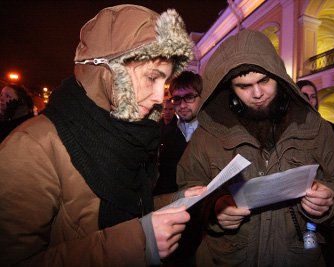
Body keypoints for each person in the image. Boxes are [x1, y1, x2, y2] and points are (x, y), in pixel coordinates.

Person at [0, 4, 206, 266]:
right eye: (151, 78)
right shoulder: (31, 146)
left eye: (162, 82)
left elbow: (128, 208)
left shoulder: (132, 133)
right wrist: (139, 243)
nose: (158, 97)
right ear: (108, 70)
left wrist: (175, 201)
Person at [176, 29, 334, 266]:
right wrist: (214, 208)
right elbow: (188, 188)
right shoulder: (208, 134)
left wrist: (331, 199)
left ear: (278, 75)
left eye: (264, 81)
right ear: (230, 90)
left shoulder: (315, 127)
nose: (257, 93)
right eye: (244, 86)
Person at [153, 71, 203, 196]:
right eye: (177, 99)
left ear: (201, 97)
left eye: (189, 97)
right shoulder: (168, 135)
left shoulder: (212, 133)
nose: (182, 105)